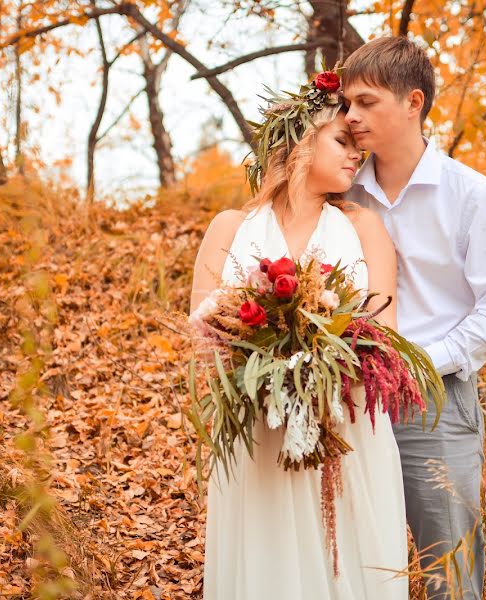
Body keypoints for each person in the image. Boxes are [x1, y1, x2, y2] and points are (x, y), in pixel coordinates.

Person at [190, 73, 409, 599]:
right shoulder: (228, 227)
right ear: (299, 143)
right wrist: (259, 363)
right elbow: (200, 339)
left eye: (358, 147)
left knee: (349, 564)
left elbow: (385, 335)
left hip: (346, 429)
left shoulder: (364, 227)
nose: (356, 157)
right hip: (258, 432)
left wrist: (316, 367)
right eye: (342, 141)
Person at [342, 37, 486, 599]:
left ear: (413, 102)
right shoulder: (340, 191)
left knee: (447, 576)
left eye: (367, 102)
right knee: (353, 567)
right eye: (347, 103)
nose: (351, 117)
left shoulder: (474, 196)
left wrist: (420, 363)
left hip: (436, 406)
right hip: (345, 402)